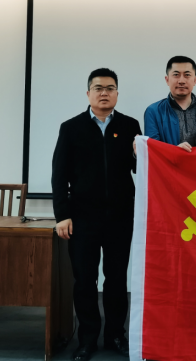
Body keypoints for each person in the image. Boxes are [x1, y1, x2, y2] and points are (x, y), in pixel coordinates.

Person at [52, 68, 142, 362]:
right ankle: (87, 340)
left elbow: (139, 170)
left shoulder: (130, 125)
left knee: (116, 280)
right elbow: (59, 175)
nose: (105, 93)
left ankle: (116, 335)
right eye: (99, 88)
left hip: (120, 216)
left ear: (117, 93)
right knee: (85, 281)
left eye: (110, 88)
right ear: (88, 93)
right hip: (82, 218)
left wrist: (138, 154)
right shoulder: (71, 127)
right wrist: (62, 215)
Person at [144, 55, 196, 152]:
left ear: (195, 80)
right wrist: (175, 152)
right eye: (176, 75)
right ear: (167, 80)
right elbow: (152, 150)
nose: (181, 81)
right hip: (169, 162)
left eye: (187, 75)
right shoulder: (153, 111)